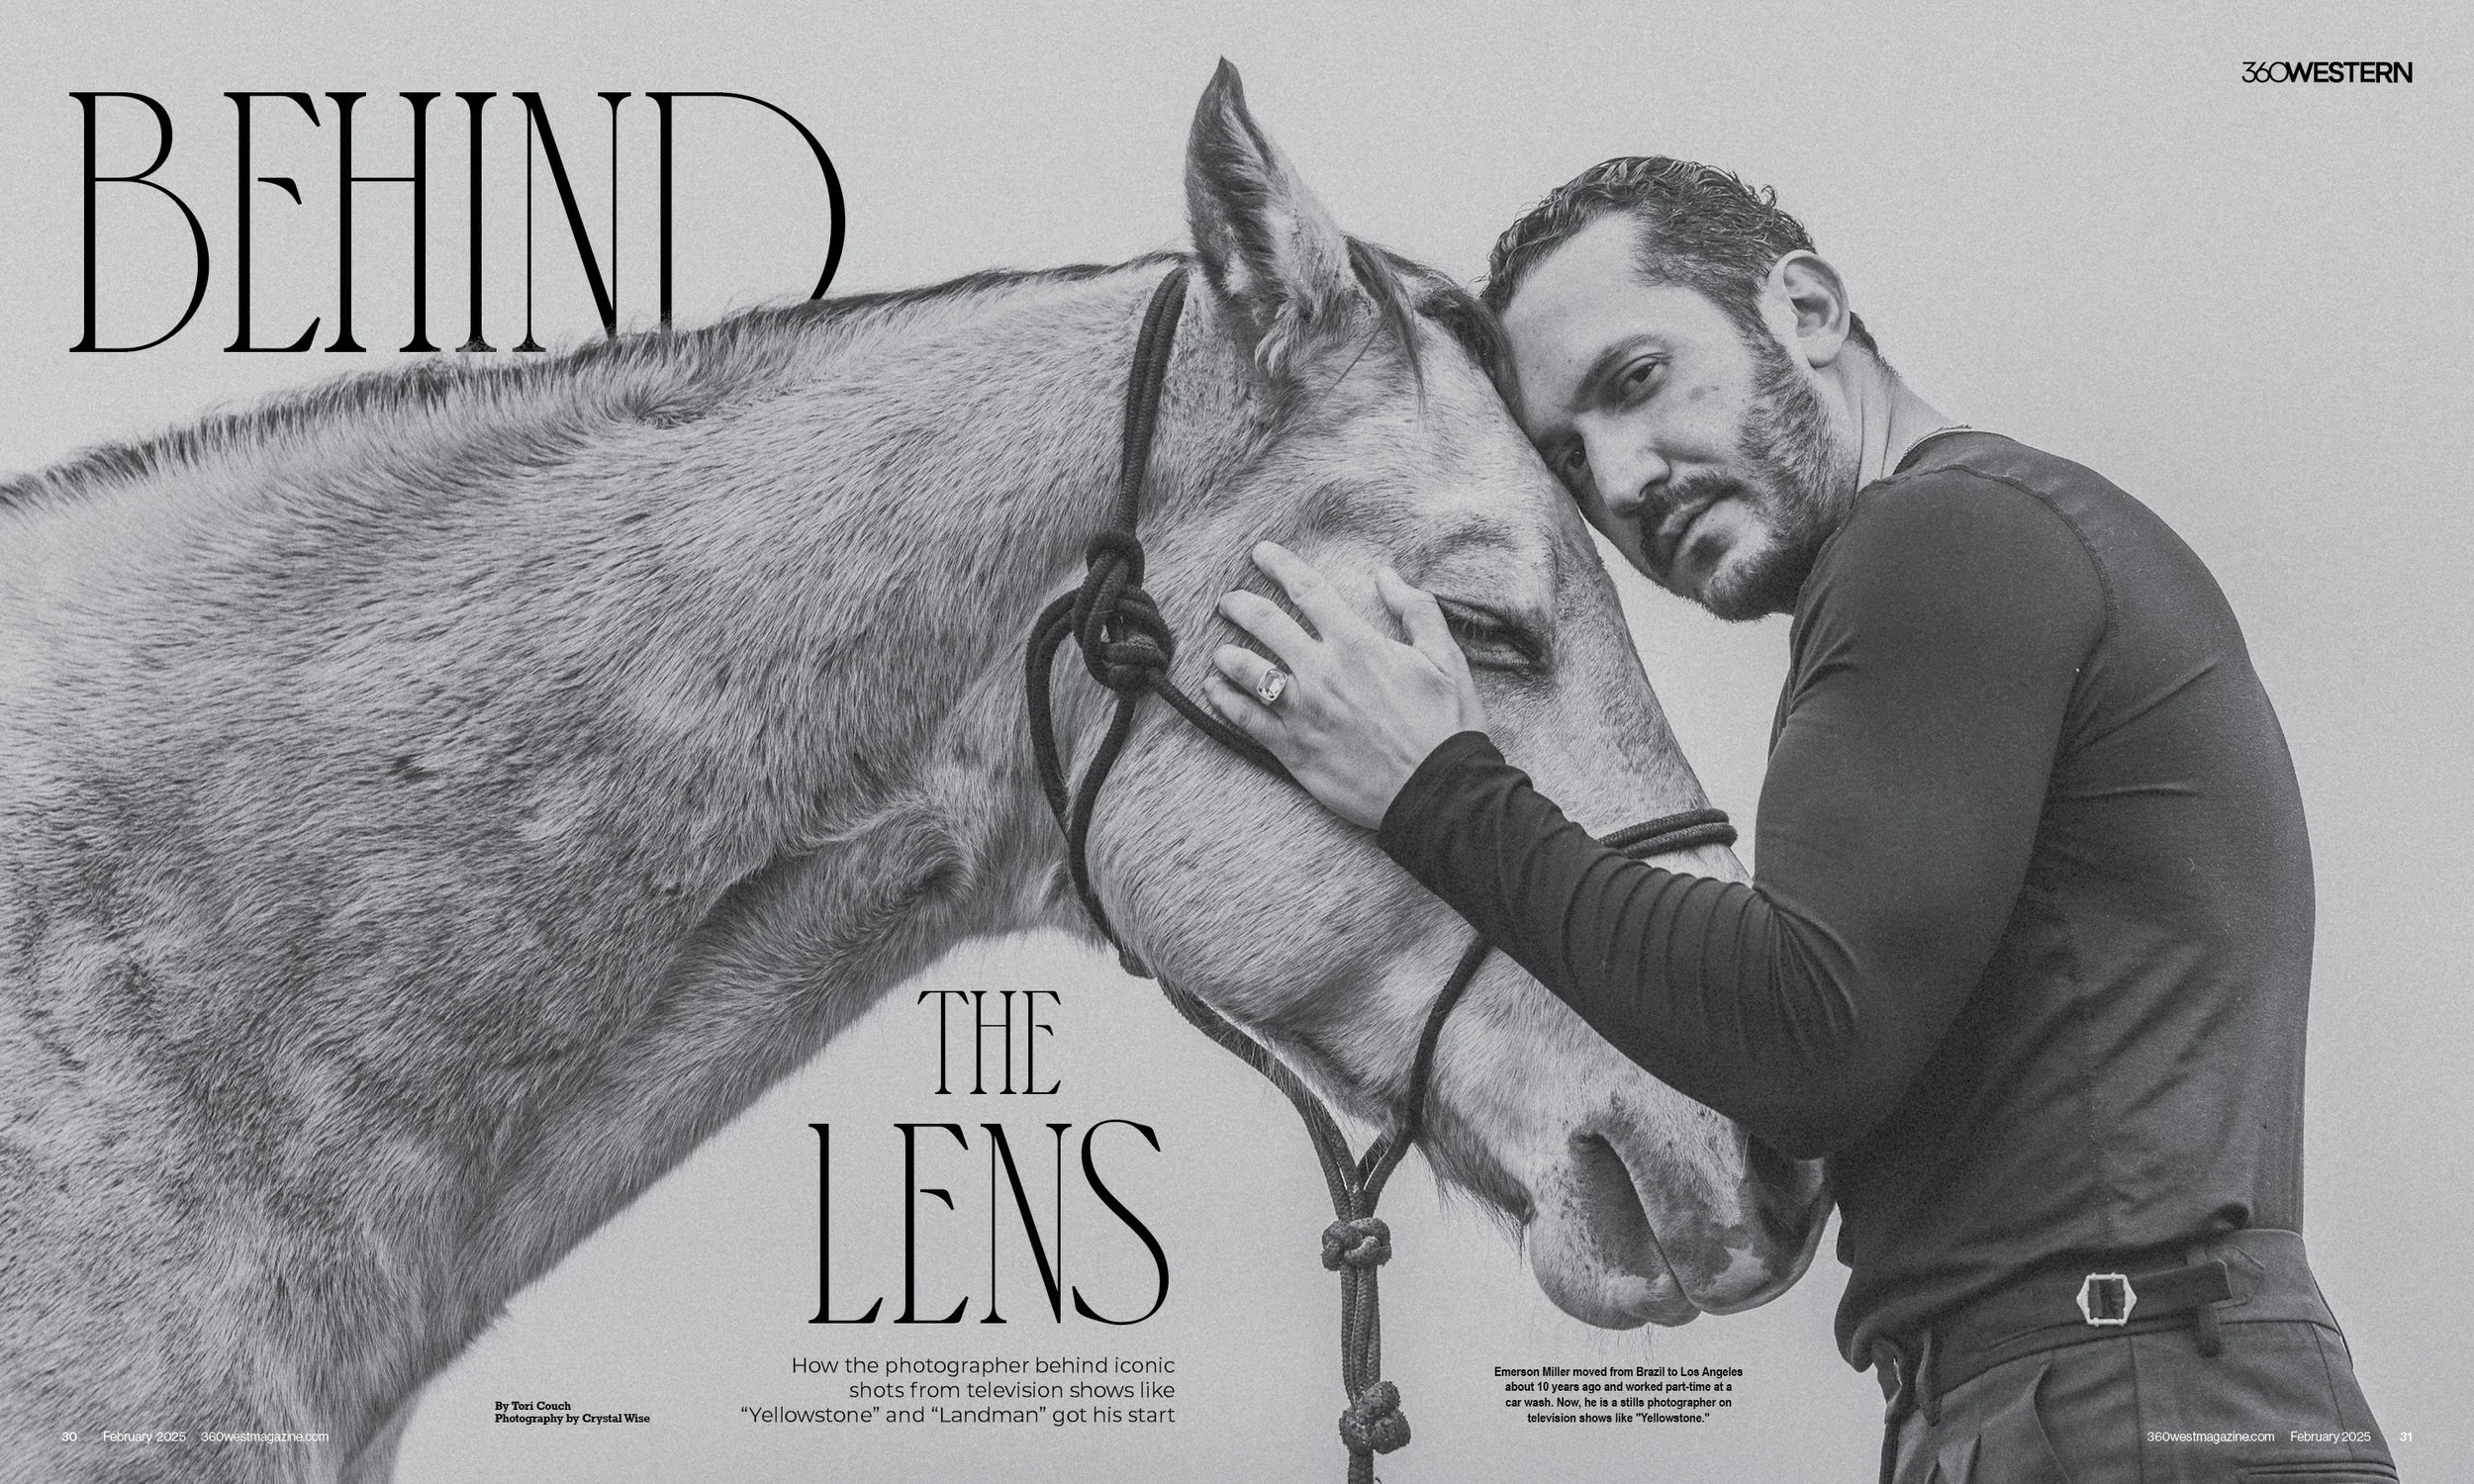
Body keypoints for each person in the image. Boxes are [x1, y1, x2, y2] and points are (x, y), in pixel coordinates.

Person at [1201, 158, 2395, 1483]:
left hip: (2108, 1404)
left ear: (1810, 310)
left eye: (1637, 378)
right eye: (1570, 458)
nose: (1624, 475)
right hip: (2110, 1391)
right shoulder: (1993, 554)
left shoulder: (1944, 539)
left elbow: (1807, 1031)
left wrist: (1434, 789)